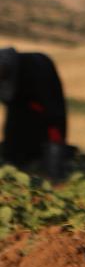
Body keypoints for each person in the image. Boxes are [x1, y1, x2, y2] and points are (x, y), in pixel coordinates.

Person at [0, 47, 71, 179]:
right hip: (21, 102)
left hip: (44, 102)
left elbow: (53, 117)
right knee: (13, 138)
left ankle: (52, 174)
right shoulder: (8, 73)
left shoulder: (38, 74)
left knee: (52, 135)